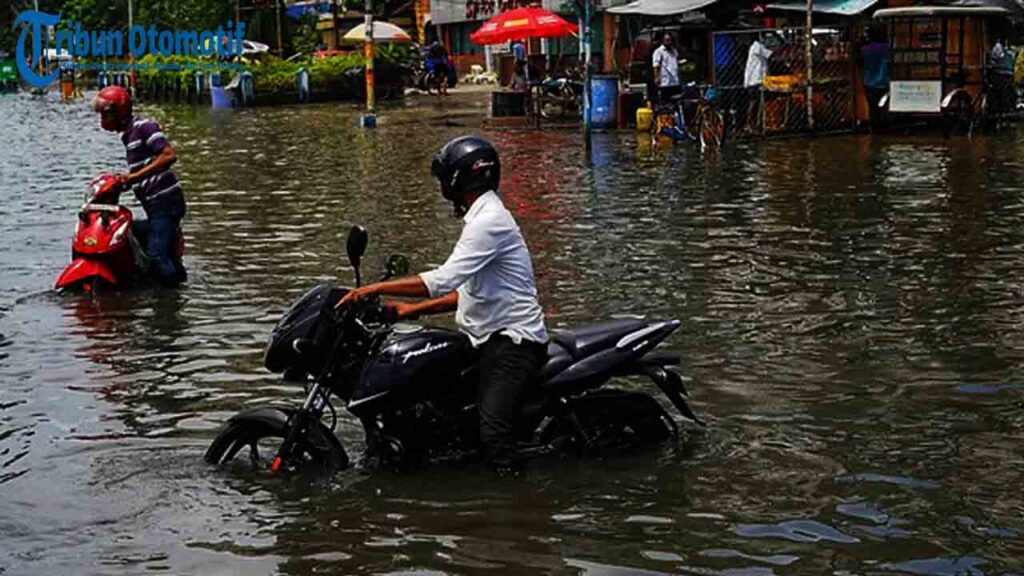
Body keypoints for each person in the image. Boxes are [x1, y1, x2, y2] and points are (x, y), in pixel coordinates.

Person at [337, 136, 548, 475]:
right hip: (486, 339)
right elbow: (465, 292)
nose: (441, 187)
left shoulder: (488, 222)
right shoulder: (481, 218)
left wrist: (373, 288)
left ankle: (515, 495)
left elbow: (442, 280)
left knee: (492, 433)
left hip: (514, 344)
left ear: (460, 178)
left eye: (444, 178)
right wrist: (408, 310)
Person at [91, 86, 187, 286]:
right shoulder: (129, 135)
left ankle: (172, 296)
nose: (102, 119)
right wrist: (122, 183)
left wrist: (133, 177)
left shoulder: (144, 127)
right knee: (125, 233)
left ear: (118, 112)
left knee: (156, 255)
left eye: (105, 115)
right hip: (153, 203)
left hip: (165, 201)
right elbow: (143, 168)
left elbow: (169, 155)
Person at [861, 26, 890, 132]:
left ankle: (874, 127)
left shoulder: (864, 49)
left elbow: (861, 63)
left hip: (869, 82)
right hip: (883, 82)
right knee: (883, 107)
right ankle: (883, 127)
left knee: (872, 107)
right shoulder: (886, 48)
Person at [743, 34, 773, 134]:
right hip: (755, 79)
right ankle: (749, 124)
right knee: (754, 102)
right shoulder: (757, 46)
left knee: (756, 102)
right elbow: (770, 55)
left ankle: (754, 124)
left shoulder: (756, 46)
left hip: (756, 79)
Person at [651, 32, 681, 104]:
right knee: (666, 103)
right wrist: (656, 77)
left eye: (670, 40)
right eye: (667, 40)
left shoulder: (674, 51)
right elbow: (656, 65)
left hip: (675, 81)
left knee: (677, 102)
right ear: (663, 41)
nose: (669, 42)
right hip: (665, 82)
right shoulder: (658, 51)